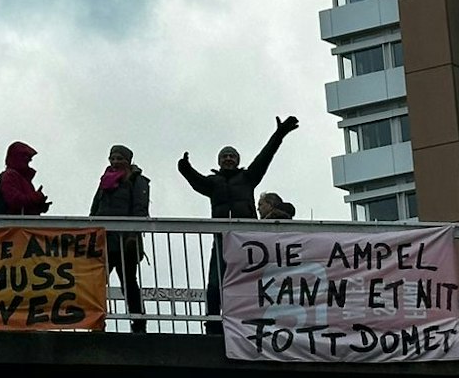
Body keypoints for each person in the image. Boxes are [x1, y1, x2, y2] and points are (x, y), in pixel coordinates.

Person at [179, 116, 301, 331]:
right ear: (219, 161)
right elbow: (196, 181)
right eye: (224, 156)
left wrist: (280, 134)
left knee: (249, 285)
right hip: (222, 241)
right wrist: (185, 168)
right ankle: (213, 326)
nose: (228, 159)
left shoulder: (248, 177)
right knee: (215, 285)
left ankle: (250, 324)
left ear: (237, 160)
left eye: (231, 156)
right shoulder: (213, 183)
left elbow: (265, 156)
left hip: (246, 241)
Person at [89, 144, 149, 332]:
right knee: (96, 283)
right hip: (104, 240)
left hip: (125, 242)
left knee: (129, 282)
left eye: (119, 158)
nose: (115, 162)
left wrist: (133, 235)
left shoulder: (137, 180)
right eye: (112, 158)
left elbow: (140, 209)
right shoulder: (104, 181)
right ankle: (96, 323)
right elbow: (95, 209)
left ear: (128, 161)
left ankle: (138, 323)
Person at [0, 141, 51, 216]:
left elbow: (22, 207)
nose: (29, 160)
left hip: (15, 225)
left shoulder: (22, 179)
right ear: (17, 157)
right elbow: (15, 201)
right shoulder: (10, 176)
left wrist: (38, 206)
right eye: (26, 156)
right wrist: (35, 197)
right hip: (9, 225)